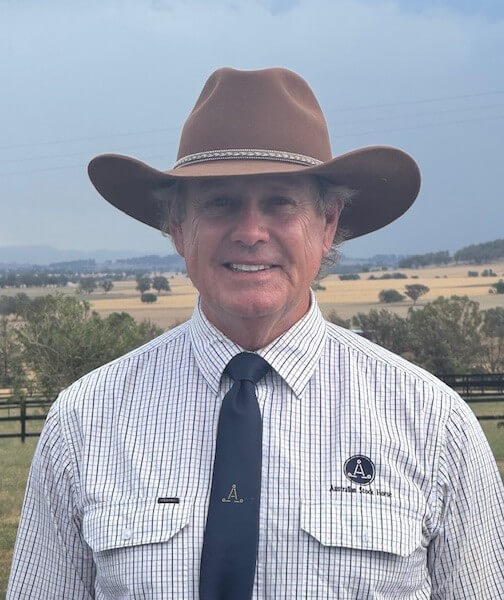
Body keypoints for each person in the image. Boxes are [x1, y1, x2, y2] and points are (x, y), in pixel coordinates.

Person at [7, 67, 504, 599]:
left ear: (328, 224)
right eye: (220, 202)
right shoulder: (84, 421)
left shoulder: (433, 424)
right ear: (177, 228)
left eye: (280, 202)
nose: (250, 232)